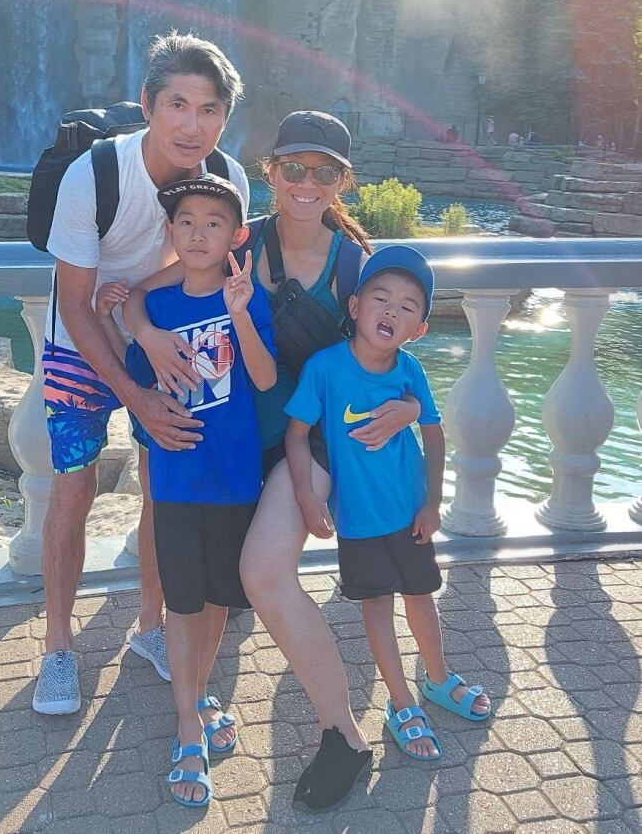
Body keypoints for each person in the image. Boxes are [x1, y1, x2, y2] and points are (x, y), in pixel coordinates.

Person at [123, 110, 423, 812]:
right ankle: (195, 714)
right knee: (215, 585)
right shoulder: (237, 242)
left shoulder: (354, 262)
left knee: (261, 575)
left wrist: (409, 407)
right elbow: (145, 295)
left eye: (324, 171)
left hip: (310, 440)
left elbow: (395, 340)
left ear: (343, 181)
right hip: (236, 444)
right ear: (272, 173)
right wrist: (143, 335)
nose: (306, 182)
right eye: (294, 168)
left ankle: (341, 735)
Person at [32, 32, 249, 715]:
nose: (193, 124)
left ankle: (150, 629)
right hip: (80, 343)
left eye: (209, 109)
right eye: (178, 104)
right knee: (74, 489)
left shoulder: (228, 180)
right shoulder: (93, 175)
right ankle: (58, 647)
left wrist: (144, 316)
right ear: (149, 105)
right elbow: (74, 299)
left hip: (169, 342)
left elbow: (209, 270)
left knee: (166, 486)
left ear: (224, 118)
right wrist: (132, 386)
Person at [285, 244, 492, 766]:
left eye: (407, 307)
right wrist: (308, 499)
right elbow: (296, 435)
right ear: (354, 307)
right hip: (357, 522)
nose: (391, 312)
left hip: (410, 514)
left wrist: (433, 502)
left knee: (421, 596)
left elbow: (435, 435)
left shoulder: (411, 371)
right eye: (381, 298)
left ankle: (438, 679)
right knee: (376, 608)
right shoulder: (324, 369)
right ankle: (400, 703)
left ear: (419, 328)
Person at [106, 175, 276, 807]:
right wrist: (126, 316)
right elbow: (138, 385)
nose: (199, 231)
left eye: (214, 222)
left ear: (236, 236)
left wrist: (239, 311)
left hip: (234, 481)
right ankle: (185, 724)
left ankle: (201, 693)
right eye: (187, 221)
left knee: (217, 602)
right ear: (170, 234)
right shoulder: (160, 306)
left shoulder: (246, 298)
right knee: (182, 602)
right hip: (177, 481)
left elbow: (261, 375)